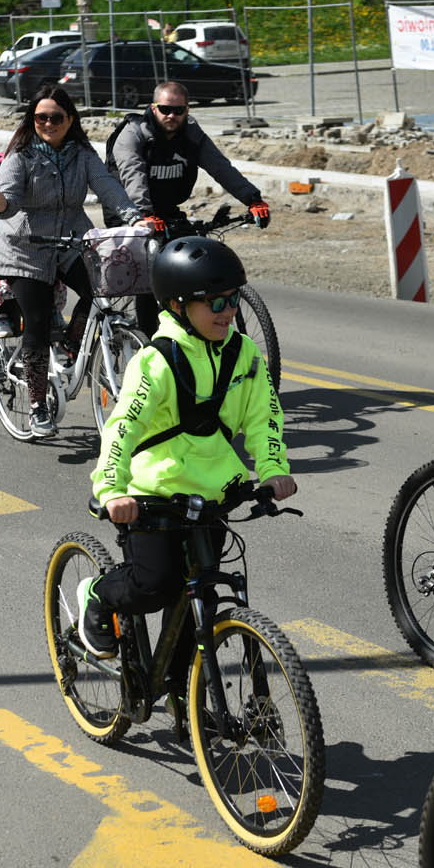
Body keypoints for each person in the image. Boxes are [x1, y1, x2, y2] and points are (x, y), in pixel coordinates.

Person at [77, 237, 293, 659]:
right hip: (153, 496)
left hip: (212, 494)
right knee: (153, 585)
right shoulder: (157, 361)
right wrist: (112, 490)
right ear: (177, 306)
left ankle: (184, 698)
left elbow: (264, 417)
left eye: (232, 300)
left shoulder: (244, 354)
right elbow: (122, 428)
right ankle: (99, 596)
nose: (229, 312)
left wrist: (272, 469)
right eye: (215, 303)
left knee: (198, 605)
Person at [0, 85, 142, 438]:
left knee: (103, 290)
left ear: (70, 119)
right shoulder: (20, 154)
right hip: (24, 245)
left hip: (71, 238)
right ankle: (37, 406)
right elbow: (10, 197)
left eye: (55, 117)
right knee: (35, 322)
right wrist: (2, 205)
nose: (48, 123)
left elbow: (106, 185)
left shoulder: (82, 152)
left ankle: (68, 345)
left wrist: (133, 217)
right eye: (40, 117)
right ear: (32, 119)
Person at [106, 81, 271, 334]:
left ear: (188, 110)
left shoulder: (191, 135)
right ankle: (149, 340)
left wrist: (253, 199)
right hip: (128, 211)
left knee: (193, 258)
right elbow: (132, 176)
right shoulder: (133, 133)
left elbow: (221, 168)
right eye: (165, 109)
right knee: (153, 269)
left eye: (179, 110)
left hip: (167, 209)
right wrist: (145, 215)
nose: (172, 115)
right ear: (153, 107)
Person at [0, 150, 69, 340]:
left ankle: (55, 313)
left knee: (56, 281)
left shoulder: (25, 202)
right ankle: (0, 316)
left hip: (30, 257)